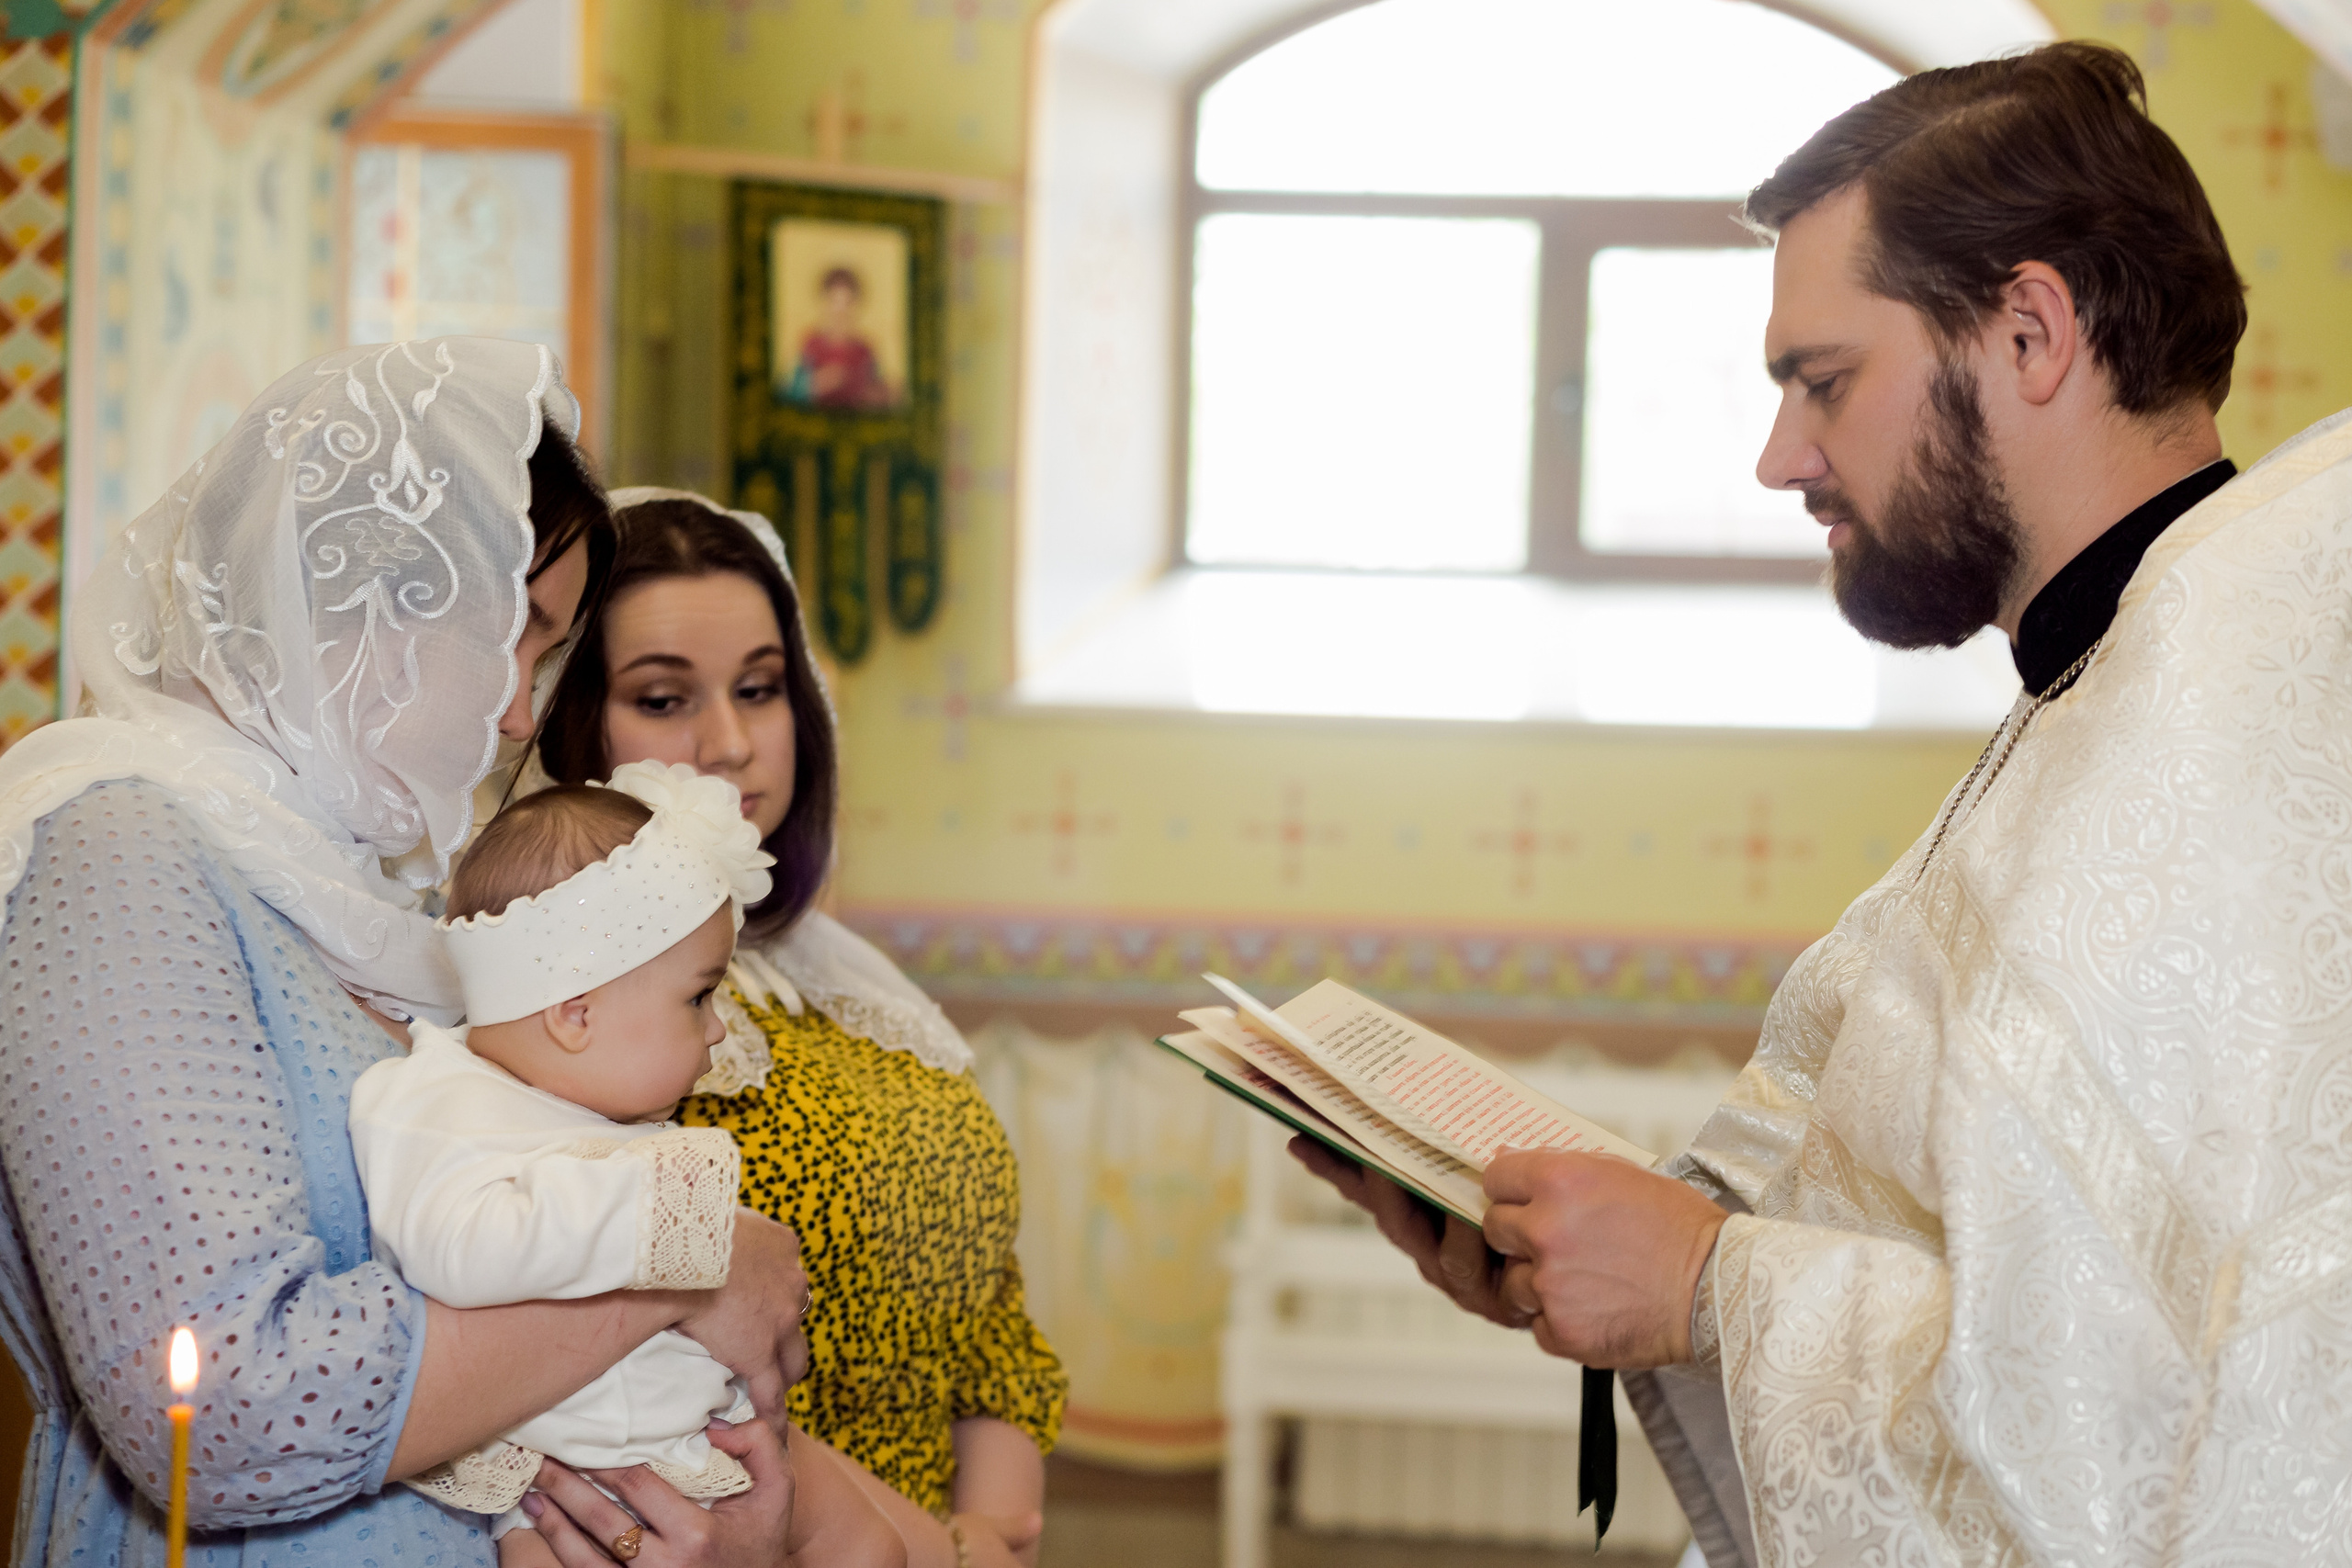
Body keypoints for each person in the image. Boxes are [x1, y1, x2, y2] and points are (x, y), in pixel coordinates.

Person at [1297, 42, 2352, 1566]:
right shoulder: (2121, 686)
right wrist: (1600, 1249)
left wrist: (1707, 1281)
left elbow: (2135, 1417)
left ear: (2032, 331)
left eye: (1825, 381)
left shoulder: (2210, 737)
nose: (1780, 457)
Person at [0, 340, 808, 1568]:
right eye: (517, 639)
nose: (519, 713)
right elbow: (217, 1408)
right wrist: (678, 1272)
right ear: (379, 605)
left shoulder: (350, 883)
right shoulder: (115, 849)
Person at [534, 490, 1065, 1568]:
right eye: (663, 698)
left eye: (760, 688)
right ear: (563, 716)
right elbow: (626, 1391)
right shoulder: (558, 1013)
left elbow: (991, 1329)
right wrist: (937, 1552)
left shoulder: (844, 981)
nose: (731, 744)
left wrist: (994, 1528)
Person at [353, 763, 902, 1568]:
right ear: (576, 1015)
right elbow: (455, 1247)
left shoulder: (599, 1108)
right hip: (568, 1480)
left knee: (877, 1548)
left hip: (701, 1439)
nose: (717, 1029)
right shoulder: (439, 1100)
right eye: (698, 997)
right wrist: (680, 1218)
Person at [786, 267, 896, 412]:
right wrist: (815, 385)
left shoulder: (864, 351)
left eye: (847, 303)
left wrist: (882, 394)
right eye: (834, 302)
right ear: (824, 304)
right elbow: (788, 392)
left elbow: (877, 390)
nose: (840, 312)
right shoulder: (811, 345)